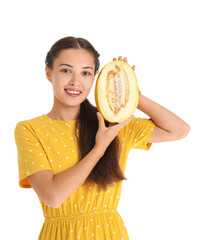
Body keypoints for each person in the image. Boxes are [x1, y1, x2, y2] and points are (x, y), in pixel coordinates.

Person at [14, 36, 190, 240]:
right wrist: (100, 147)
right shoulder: (30, 129)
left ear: (95, 79)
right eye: (65, 70)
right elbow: (53, 197)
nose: (75, 82)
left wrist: (131, 93)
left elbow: (179, 130)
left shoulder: (112, 123)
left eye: (86, 73)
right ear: (48, 73)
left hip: (110, 234)